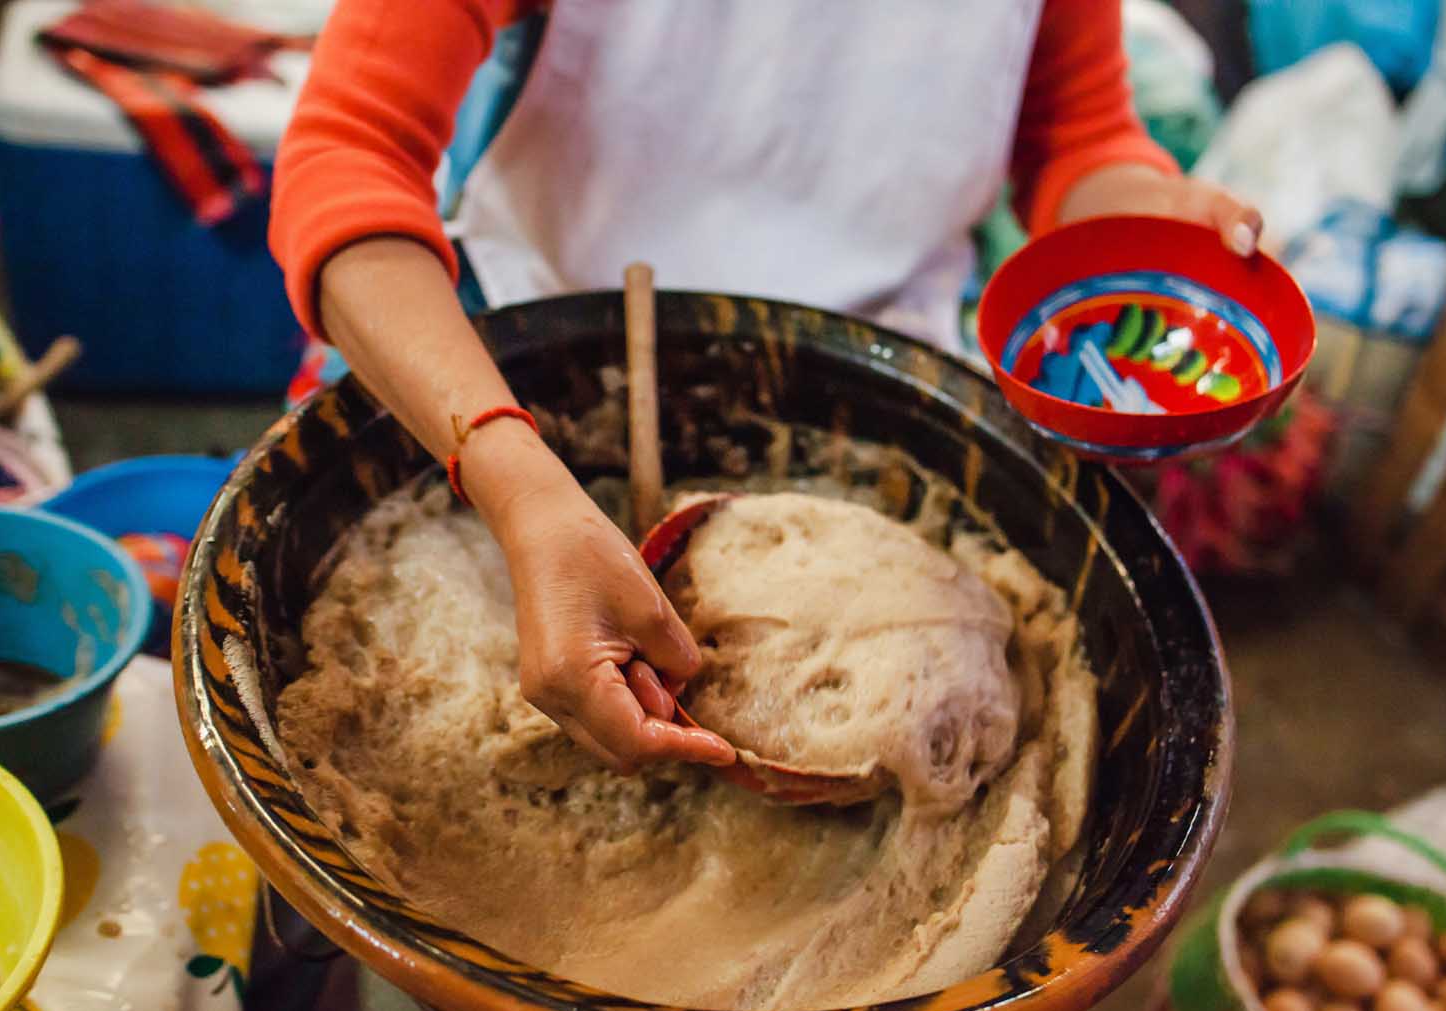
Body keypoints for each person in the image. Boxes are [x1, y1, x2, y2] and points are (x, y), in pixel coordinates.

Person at [268, 0, 1260, 777]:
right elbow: (347, 156)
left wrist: (1146, 224)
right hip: (541, 391)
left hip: (886, 387)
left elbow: (1076, 133)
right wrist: (517, 479)